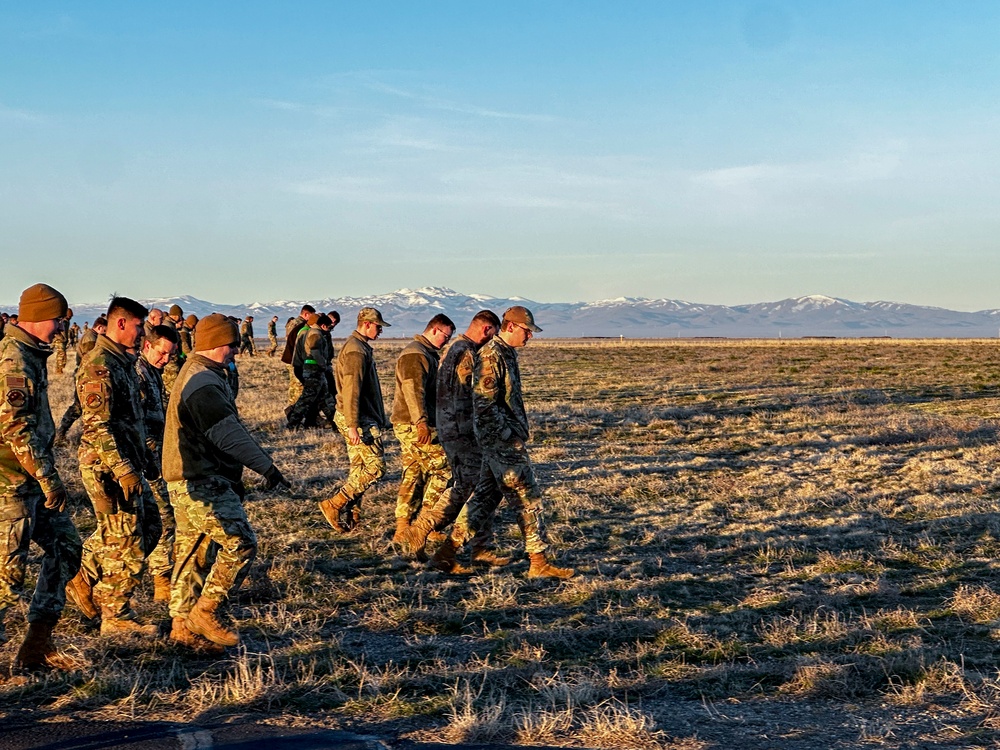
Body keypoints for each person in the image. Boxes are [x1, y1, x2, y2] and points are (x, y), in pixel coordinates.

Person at [162, 313, 290, 650]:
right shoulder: (203, 382)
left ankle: (182, 626)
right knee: (240, 543)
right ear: (215, 343)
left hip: (186, 476)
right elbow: (228, 435)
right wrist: (267, 468)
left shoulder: (200, 373)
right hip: (200, 478)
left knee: (193, 552)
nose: (236, 350)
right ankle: (207, 611)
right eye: (232, 344)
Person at [430, 306, 573, 579]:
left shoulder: (506, 354)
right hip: (501, 444)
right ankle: (538, 561)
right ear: (509, 327)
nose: (530, 336)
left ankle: (445, 555)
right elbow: (484, 406)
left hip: (500, 441)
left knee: (483, 499)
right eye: (526, 331)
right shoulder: (491, 356)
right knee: (528, 498)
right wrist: (508, 438)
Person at [65, 297, 163, 635]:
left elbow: (130, 421)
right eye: (139, 326)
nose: (142, 334)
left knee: (150, 528)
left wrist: (147, 461)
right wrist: (122, 467)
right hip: (106, 466)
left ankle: (85, 575)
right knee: (126, 539)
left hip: (128, 462)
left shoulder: (122, 362)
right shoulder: (100, 364)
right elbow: (97, 424)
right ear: (120, 324)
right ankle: (116, 615)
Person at [0, 284, 83, 671]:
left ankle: (36, 648)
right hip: (10, 483)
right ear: (37, 316)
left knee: (66, 548)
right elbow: (15, 427)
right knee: (6, 580)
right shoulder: (14, 358)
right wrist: (49, 477)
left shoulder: (32, 354)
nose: (60, 328)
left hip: (29, 479)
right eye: (57, 320)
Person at [405, 310, 504, 567]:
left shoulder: (452, 349)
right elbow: (469, 395)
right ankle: (424, 527)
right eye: (494, 333)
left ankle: (481, 546)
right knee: (469, 487)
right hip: (462, 431)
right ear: (486, 330)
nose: (493, 340)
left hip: (454, 429)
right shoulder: (466, 353)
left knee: (481, 486)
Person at [318, 307, 391, 532]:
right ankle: (335, 503)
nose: (380, 331)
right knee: (376, 468)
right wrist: (353, 425)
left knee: (359, 468)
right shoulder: (356, 351)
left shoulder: (359, 347)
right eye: (378, 326)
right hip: (360, 419)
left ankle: (353, 517)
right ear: (366, 324)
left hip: (359, 417)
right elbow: (351, 390)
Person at [388, 314, 456, 552]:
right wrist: (422, 422)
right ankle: (427, 521)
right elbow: (412, 391)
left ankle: (402, 528)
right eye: (446, 337)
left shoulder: (423, 353)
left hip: (411, 423)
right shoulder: (416, 355)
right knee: (444, 468)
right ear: (435, 330)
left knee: (414, 472)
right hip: (413, 424)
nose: (446, 342)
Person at [135, 324, 179, 602]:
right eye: (162, 353)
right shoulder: (138, 375)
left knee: (149, 520)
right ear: (148, 346)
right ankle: (161, 579)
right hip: (145, 459)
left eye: (170, 356)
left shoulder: (153, 373)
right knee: (162, 518)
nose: (165, 360)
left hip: (156, 457)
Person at [56, 315, 107, 441]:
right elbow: (91, 360)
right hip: (86, 376)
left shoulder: (92, 336)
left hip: (86, 375)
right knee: (79, 406)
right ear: (99, 327)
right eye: (105, 331)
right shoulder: (91, 339)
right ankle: (61, 433)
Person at [286, 313, 337, 429]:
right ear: (323, 326)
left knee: (326, 398)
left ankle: (337, 423)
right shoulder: (315, 334)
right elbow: (315, 352)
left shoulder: (313, 332)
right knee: (306, 399)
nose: (329, 330)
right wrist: (323, 365)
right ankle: (292, 423)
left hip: (316, 371)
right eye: (329, 327)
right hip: (314, 371)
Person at [282, 305, 316, 404]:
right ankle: (293, 408)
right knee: (298, 385)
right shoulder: (299, 325)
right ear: (306, 314)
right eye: (311, 316)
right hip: (294, 358)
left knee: (294, 384)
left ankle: (292, 407)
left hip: (293, 357)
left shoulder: (294, 323)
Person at [52, 308, 73, 375]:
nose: (70, 317)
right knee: (61, 355)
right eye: (69, 316)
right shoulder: (62, 321)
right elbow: (56, 331)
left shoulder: (66, 322)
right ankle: (59, 369)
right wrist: (61, 338)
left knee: (63, 355)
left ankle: (60, 369)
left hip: (64, 340)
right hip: (60, 341)